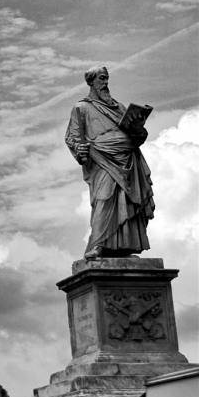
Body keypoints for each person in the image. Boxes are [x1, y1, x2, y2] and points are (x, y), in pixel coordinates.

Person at [65, 67, 155, 259]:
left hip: (128, 161)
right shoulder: (81, 108)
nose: (105, 83)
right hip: (102, 161)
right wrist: (79, 151)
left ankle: (125, 247)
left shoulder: (121, 108)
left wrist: (139, 130)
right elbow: (72, 137)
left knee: (127, 201)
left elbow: (137, 135)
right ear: (91, 81)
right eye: (102, 79)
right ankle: (97, 245)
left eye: (107, 79)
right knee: (104, 199)